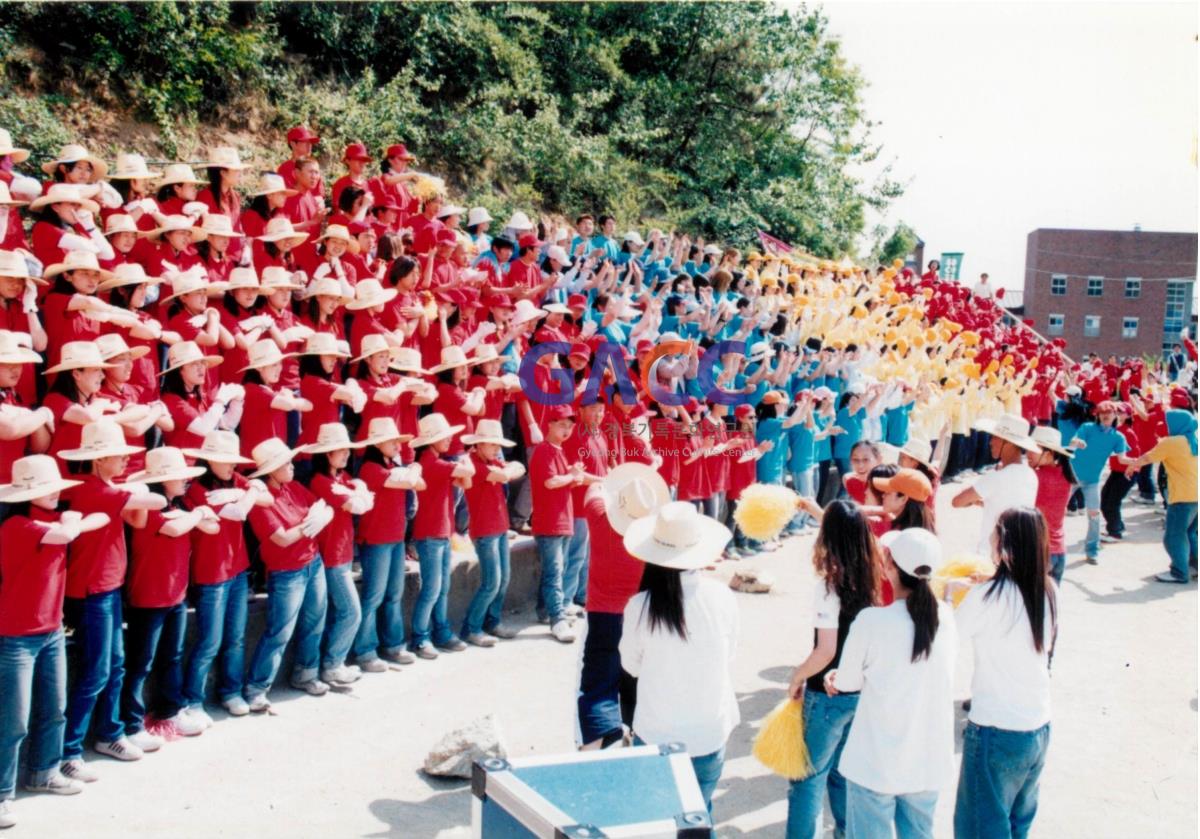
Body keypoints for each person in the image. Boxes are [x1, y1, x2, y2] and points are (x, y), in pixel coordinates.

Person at [826, 527, 956, 839]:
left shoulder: (871, 621)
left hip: (876, 761)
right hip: (927, 761)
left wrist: (834, 677)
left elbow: (847, 682)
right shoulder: (948, 618)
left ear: (889, 566)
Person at [0, 456, 108, 827]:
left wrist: (73, 519)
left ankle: (43, 771)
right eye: (46, 490)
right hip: (15, 636)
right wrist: (73, 520)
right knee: (13, 721)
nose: (54, 496)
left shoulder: (52, 521)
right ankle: (0, 794)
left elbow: (101, 519)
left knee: (54, 708)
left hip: (50, 631)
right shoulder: (16, 524)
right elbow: (67, 533)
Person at [58, 421, 167, 778]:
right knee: (96, 672)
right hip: (93, 592)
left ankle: (110, 733)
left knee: (114, 666)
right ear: (99, 459)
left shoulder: (105, 487)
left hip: (108, 588)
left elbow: (137, 518)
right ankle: (69, 752)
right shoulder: (93, 490)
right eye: (117, 456)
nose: (123, 460)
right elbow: (158, 499)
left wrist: (127, 482)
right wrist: (138, 481)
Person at [619, 502, 737, 819]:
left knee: (655, 820)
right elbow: (730, 655)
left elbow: (631, 666)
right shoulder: (723, 597)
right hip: (709, 731)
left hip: (657, 731)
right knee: (699, 817)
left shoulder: (639, 606)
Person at [954, 508, 1057, 839]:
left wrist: (949, 593)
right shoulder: (1049, 590)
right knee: (1016, 824)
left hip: (996, 730)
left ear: (1004, 544)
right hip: (1037, 727)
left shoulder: (986, 597)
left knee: (980, 827)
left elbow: (948, 635)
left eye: (995, 533)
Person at [785, 500, 882, 839]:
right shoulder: (876, 578)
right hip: (861, 692)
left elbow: (825, 650)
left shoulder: (828, 588)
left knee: (806, 780)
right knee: (843, 774)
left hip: (826, 696)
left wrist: (797, 676)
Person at [120, 447, 217, 741]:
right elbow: (175, 529)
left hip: (176, 594)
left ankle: (170, 711)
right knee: (140, 663)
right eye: (178, 478)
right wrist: (199, 513)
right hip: (148, 596)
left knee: (171, 656)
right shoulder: (146, 508)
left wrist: (195, 515)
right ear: (162, 481)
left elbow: (212, 528)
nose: (185, 482)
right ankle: (132, 723)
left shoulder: (180, 508)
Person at [576, 463, 669, 749]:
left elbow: (594, 489)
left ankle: (600, 736)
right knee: (636, 677)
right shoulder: (650, 538)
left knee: (598, 682)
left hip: (602, 612)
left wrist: (616, 479)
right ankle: (634, 731)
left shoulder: (598, 515)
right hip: (639, 613)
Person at [180, 430, 268, 722]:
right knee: (210, 641)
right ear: (210, 461)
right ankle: (193, 700)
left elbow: (263, 497)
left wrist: (244, 491)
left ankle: (230, 692)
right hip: (211, 574)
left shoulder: (235, 482)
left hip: (237, 569)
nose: (232, 466)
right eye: (225, 461)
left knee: (236, 638)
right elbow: (238, 512)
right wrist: (247, 494)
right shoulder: (194, 490)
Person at [243, 437, 335, 712]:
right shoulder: (262, 502)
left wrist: (319, 518)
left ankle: (305, 674)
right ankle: (256, 688)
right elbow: (281, 538)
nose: (292, 467)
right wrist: (311, 525)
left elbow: (322, 506)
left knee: (315, 621)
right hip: (287, 572)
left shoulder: (293, 487)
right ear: (271, 470)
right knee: (280, 631)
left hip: (312, 562)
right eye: (286, 464)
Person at [301, 423, 369, 687]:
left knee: (340, 612)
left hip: (342, 554)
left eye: (346, 450)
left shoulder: (342, 480)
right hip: (331, 557)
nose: (345, 454)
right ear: (326, 454)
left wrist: (358, 492)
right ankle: (331, 665)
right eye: (339, 450)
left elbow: (364, 501)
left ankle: (331, 664)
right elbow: (358, 505)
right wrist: (358, 493)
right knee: (351, 612)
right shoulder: (321, 481)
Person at [351, 418, 422, 669]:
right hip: (377, 540)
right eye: (392, 441)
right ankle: (365, 651)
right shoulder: (369, 468)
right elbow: (409, 480)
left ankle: (392, 645)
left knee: (393, 594)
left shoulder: (391, 465)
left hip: (394, 539)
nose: (397, 446)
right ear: (378, 444)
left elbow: (412, 481)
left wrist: (411, 470)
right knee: (374, 596)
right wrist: (413, 469)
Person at [408, 413, 474, 658]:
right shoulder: (430, 462)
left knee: (441, 586)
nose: (448, 440)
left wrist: (465, 466)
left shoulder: (439, 462)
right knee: (433, 588)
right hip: (430, 533)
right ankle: (421, 636)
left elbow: (466, 482)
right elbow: (467, 473)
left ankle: (440, 631)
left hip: (442, 532)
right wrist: (466, 464)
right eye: (442, 437)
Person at [460, 419, 525, 646]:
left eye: (497, 445)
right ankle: (472, 628)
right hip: (485, 531)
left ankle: (492, 621)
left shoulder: (492, 461)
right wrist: (508, 469)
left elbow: (519, 468)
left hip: (499, 528)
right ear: (478, 445)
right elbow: (507, 474)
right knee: (492, 581)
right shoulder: (472, 464)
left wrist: (508, 468)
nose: (497, 449)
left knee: (503, 579)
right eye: (491, 444)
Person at [1126, 409, 1198, 583]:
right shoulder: (1193, 440)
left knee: (1173, 536)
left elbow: (1147, 458)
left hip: (1182, 496)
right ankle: (1194, 565)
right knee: (1189, 533)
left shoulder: (1172, 442)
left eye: (1167, 422)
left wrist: (1132, 465)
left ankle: (1179, 573)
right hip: (1196, 495)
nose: (1164, 425)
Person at [952, 415, 1040, 557]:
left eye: (995, 437)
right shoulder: (1031, 475)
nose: (991, 442)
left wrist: (974, 500)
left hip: (991, 553)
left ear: (1009, 443)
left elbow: (957, 501)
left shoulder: (996, 477)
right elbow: (1007, 502)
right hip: (1018, 552)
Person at [1068, 402, 1135, 564]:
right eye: (1102, 413)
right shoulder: (1087, 427)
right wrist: (1077, 442)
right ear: (1097, 415)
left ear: (1115, 415)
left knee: (1094, 516)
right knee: (1054, 511)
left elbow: (1122, 458)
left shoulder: (1118, 437)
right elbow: (1073, 442)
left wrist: (1139, 461)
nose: (1106, 416)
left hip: (1092, 481)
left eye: (1109, 413)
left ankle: (1092, 551)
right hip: (1071, 477)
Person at [1027, 426, 1077, 584]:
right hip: (1058, 551)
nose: (1028, 453)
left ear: (1048, 454)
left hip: (1040, 552)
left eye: (1033, 449)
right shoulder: (1065, 474)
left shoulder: (1036, 476)